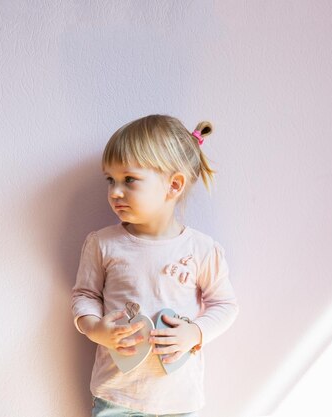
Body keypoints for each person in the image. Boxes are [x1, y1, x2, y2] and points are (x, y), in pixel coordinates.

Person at [72, 115, 239, 416]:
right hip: (115, 398)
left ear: (173, 185)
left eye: (129, 180)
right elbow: (84, 295)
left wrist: (196, 333)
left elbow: (225, 304)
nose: (114, 192)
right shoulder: (103, 243)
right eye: (110, 179)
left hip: (179, 402)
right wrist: (95, 328)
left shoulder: (201, 249)